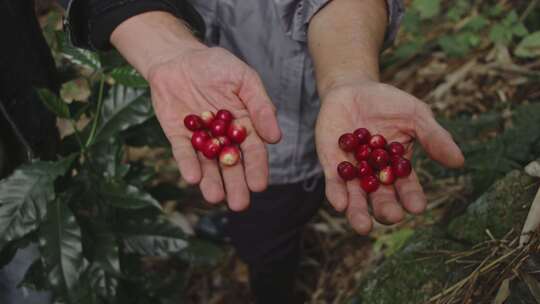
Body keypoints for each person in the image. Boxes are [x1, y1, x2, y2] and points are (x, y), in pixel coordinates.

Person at [5, 0, 465, 303]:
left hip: (290, 133)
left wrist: (348, 76)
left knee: (268, 230)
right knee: (237, 200)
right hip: (199, 95)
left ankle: (271, 281)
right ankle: (240, 231)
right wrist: (164, 49)